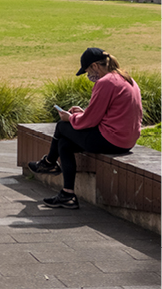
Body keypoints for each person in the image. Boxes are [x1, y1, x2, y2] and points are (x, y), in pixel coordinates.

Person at [28, 48, 142, 209]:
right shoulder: (126, 78)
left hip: (111, 140)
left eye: (87, 70)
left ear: (95, 66)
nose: (88, 75)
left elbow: (90, 121)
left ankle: (48, 162)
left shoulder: (105, 82)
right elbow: (107, 114)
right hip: (127, 140)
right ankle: (67, 195)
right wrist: (83, 113)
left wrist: (71, 118)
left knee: (62, 126)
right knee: (65, 144)